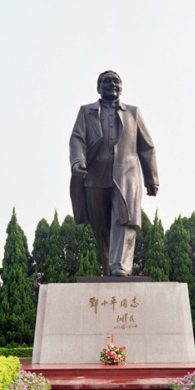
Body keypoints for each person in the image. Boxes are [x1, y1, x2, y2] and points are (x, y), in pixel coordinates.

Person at [69, 70, 159, 277]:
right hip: (94, 174)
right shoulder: (86, 111)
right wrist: (77, 161)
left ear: (121, 86)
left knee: (124, 217)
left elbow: (146, 147)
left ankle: (120, 266)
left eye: (115, 81)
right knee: (100, 225)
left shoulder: (133, 113)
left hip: (126, 174)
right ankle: (108, 267)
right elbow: (77, 138)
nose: (111, 84)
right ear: (98, 87)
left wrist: (151, 178)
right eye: (106, 81)